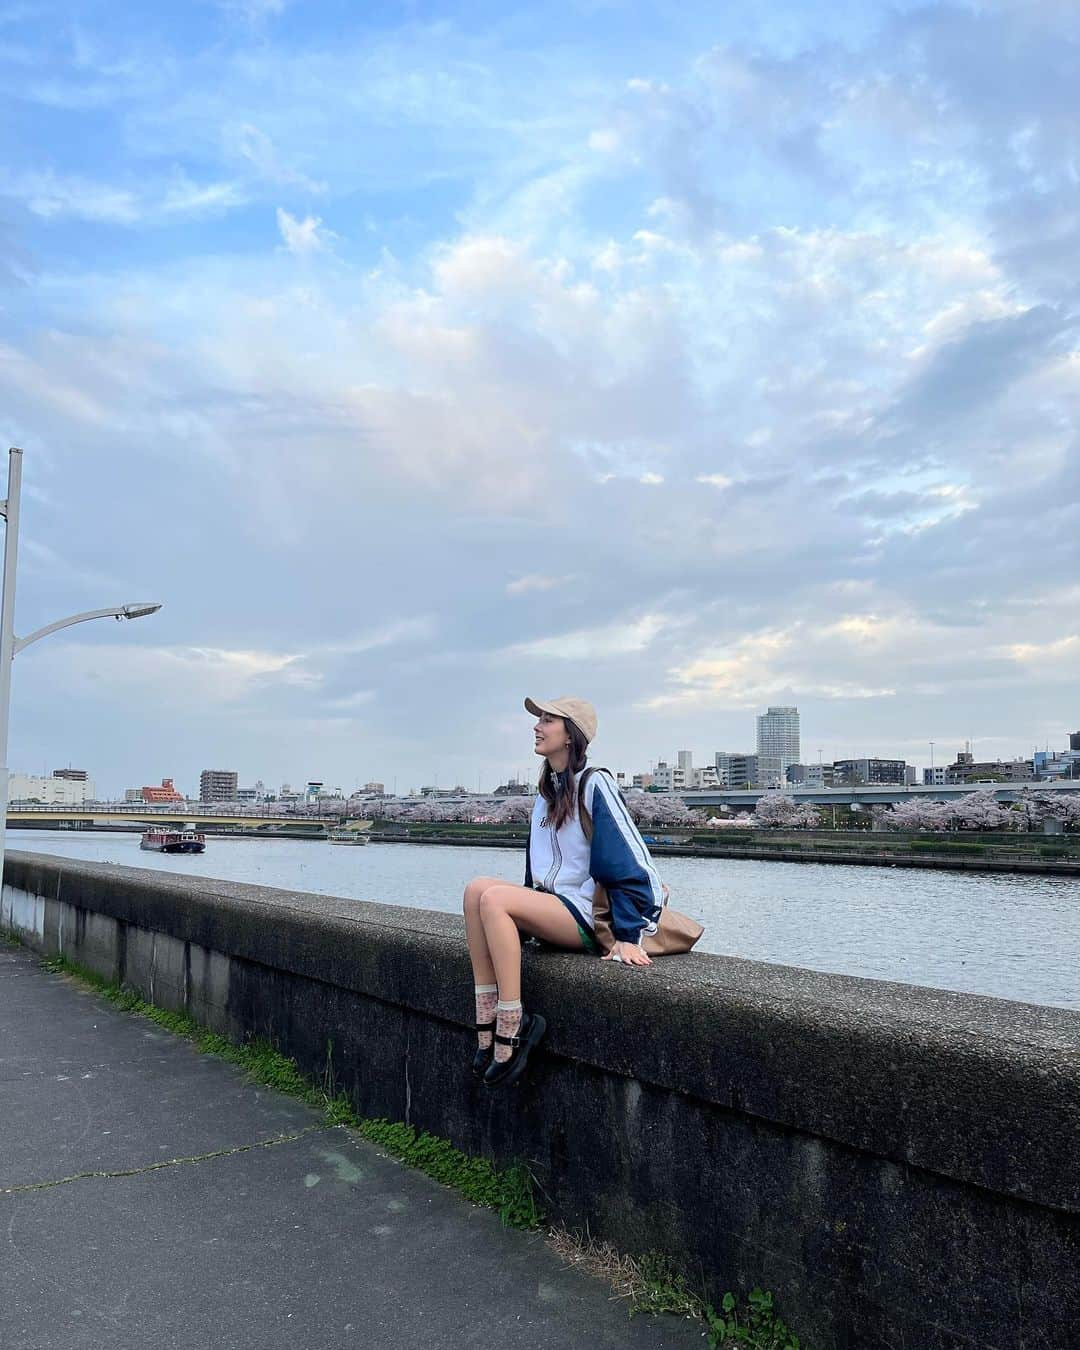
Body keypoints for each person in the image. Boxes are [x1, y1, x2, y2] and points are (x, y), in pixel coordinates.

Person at [462, 695, 666, 1089]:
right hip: (556, 908)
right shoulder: (546, 794)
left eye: (547, 720)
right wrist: (518, 921)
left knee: (494, 898)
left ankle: (512, 1020)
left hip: (586, 915)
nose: (537, 727)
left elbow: (636, 865)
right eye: (538, 720)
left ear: (570, 735)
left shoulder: (595, 783)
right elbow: (534, 873)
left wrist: (629, 935)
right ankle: (485, 1017)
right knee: (476, 891)